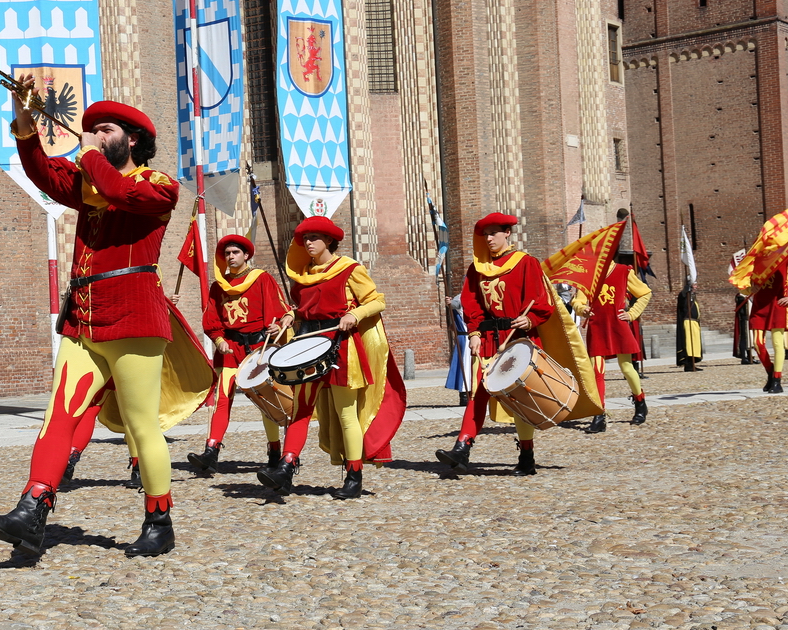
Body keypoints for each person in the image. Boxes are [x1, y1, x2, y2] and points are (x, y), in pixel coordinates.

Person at [0, 83, 210, 558]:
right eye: (91, 131)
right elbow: (42, 172)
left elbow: (119, 190)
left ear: (133, 140)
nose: (94, 137)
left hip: (135, 316)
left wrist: (88, 154)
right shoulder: (89, 186)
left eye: (105, 130)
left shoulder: (159, 186)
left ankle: (159, 520)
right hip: (84, 320)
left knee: (142, 425)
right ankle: (33, 507)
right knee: (58, 414)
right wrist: (24, 118)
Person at [434, 213, 601, 476]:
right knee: (479, 392)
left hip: (519, 339)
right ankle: (462, 447)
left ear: (507, 233)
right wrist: (475, 333)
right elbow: (472, 304)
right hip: (490, 340)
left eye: (493, 233)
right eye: (485, 234)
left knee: (521, 397)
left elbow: (542, 301)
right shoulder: (477, 268)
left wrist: (530, 318)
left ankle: (526, 455)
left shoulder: (525, 263)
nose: (488, 239)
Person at [259, 216, 406, 499]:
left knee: (346, 414)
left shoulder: (350, 269)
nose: (308, 243)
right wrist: (290, 315)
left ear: (329, 240)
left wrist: (354, 314)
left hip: (342, 348)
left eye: (314, 238)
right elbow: (302, 308)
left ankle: (354, 476)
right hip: (308, 347)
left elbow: (377, 301)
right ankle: (286, 467)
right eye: (305, 239)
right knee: (301, 410)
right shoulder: (302, 275)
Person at [187, 235, 290, 473]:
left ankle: (275, 450)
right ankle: (211, 450)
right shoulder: (218, 286)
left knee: (265, 400)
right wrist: (219, 340)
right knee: (223, 399)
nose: (230, 257)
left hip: (257, 349)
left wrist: (278, 325)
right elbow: (212, 319)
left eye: (235, 253)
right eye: (227, 254)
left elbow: (282, 310)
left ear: (246, 256)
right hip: (231, 349)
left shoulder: (261, 279)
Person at [572, 253, 652, 432]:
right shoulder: (588, 275)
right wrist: (582, 308)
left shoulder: (623, 271)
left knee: (626, 368)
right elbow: (577, 300)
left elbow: (645, 293)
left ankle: (640, 401)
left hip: (618, 326)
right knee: (597, 372)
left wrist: (632, 313)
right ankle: (599, 414)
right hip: (597, 327)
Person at [746, 263, 787, 392]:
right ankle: (770, 372)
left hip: (778, 304)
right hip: (760, 306)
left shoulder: (785, 258)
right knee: (757, 343)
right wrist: (750, 289)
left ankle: (776, 380)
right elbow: (743, 281)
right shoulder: (755, 261)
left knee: (777, 343)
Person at [676, 278, 702, 372]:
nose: (696, 287)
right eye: (694, 285)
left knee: (695, 344)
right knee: (689, 345)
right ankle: (688, 364)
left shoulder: (692, 296)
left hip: (694, 322)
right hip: (688, 322)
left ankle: (692, 363)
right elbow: (682, 301)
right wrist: (686, 290)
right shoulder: (684, 295)